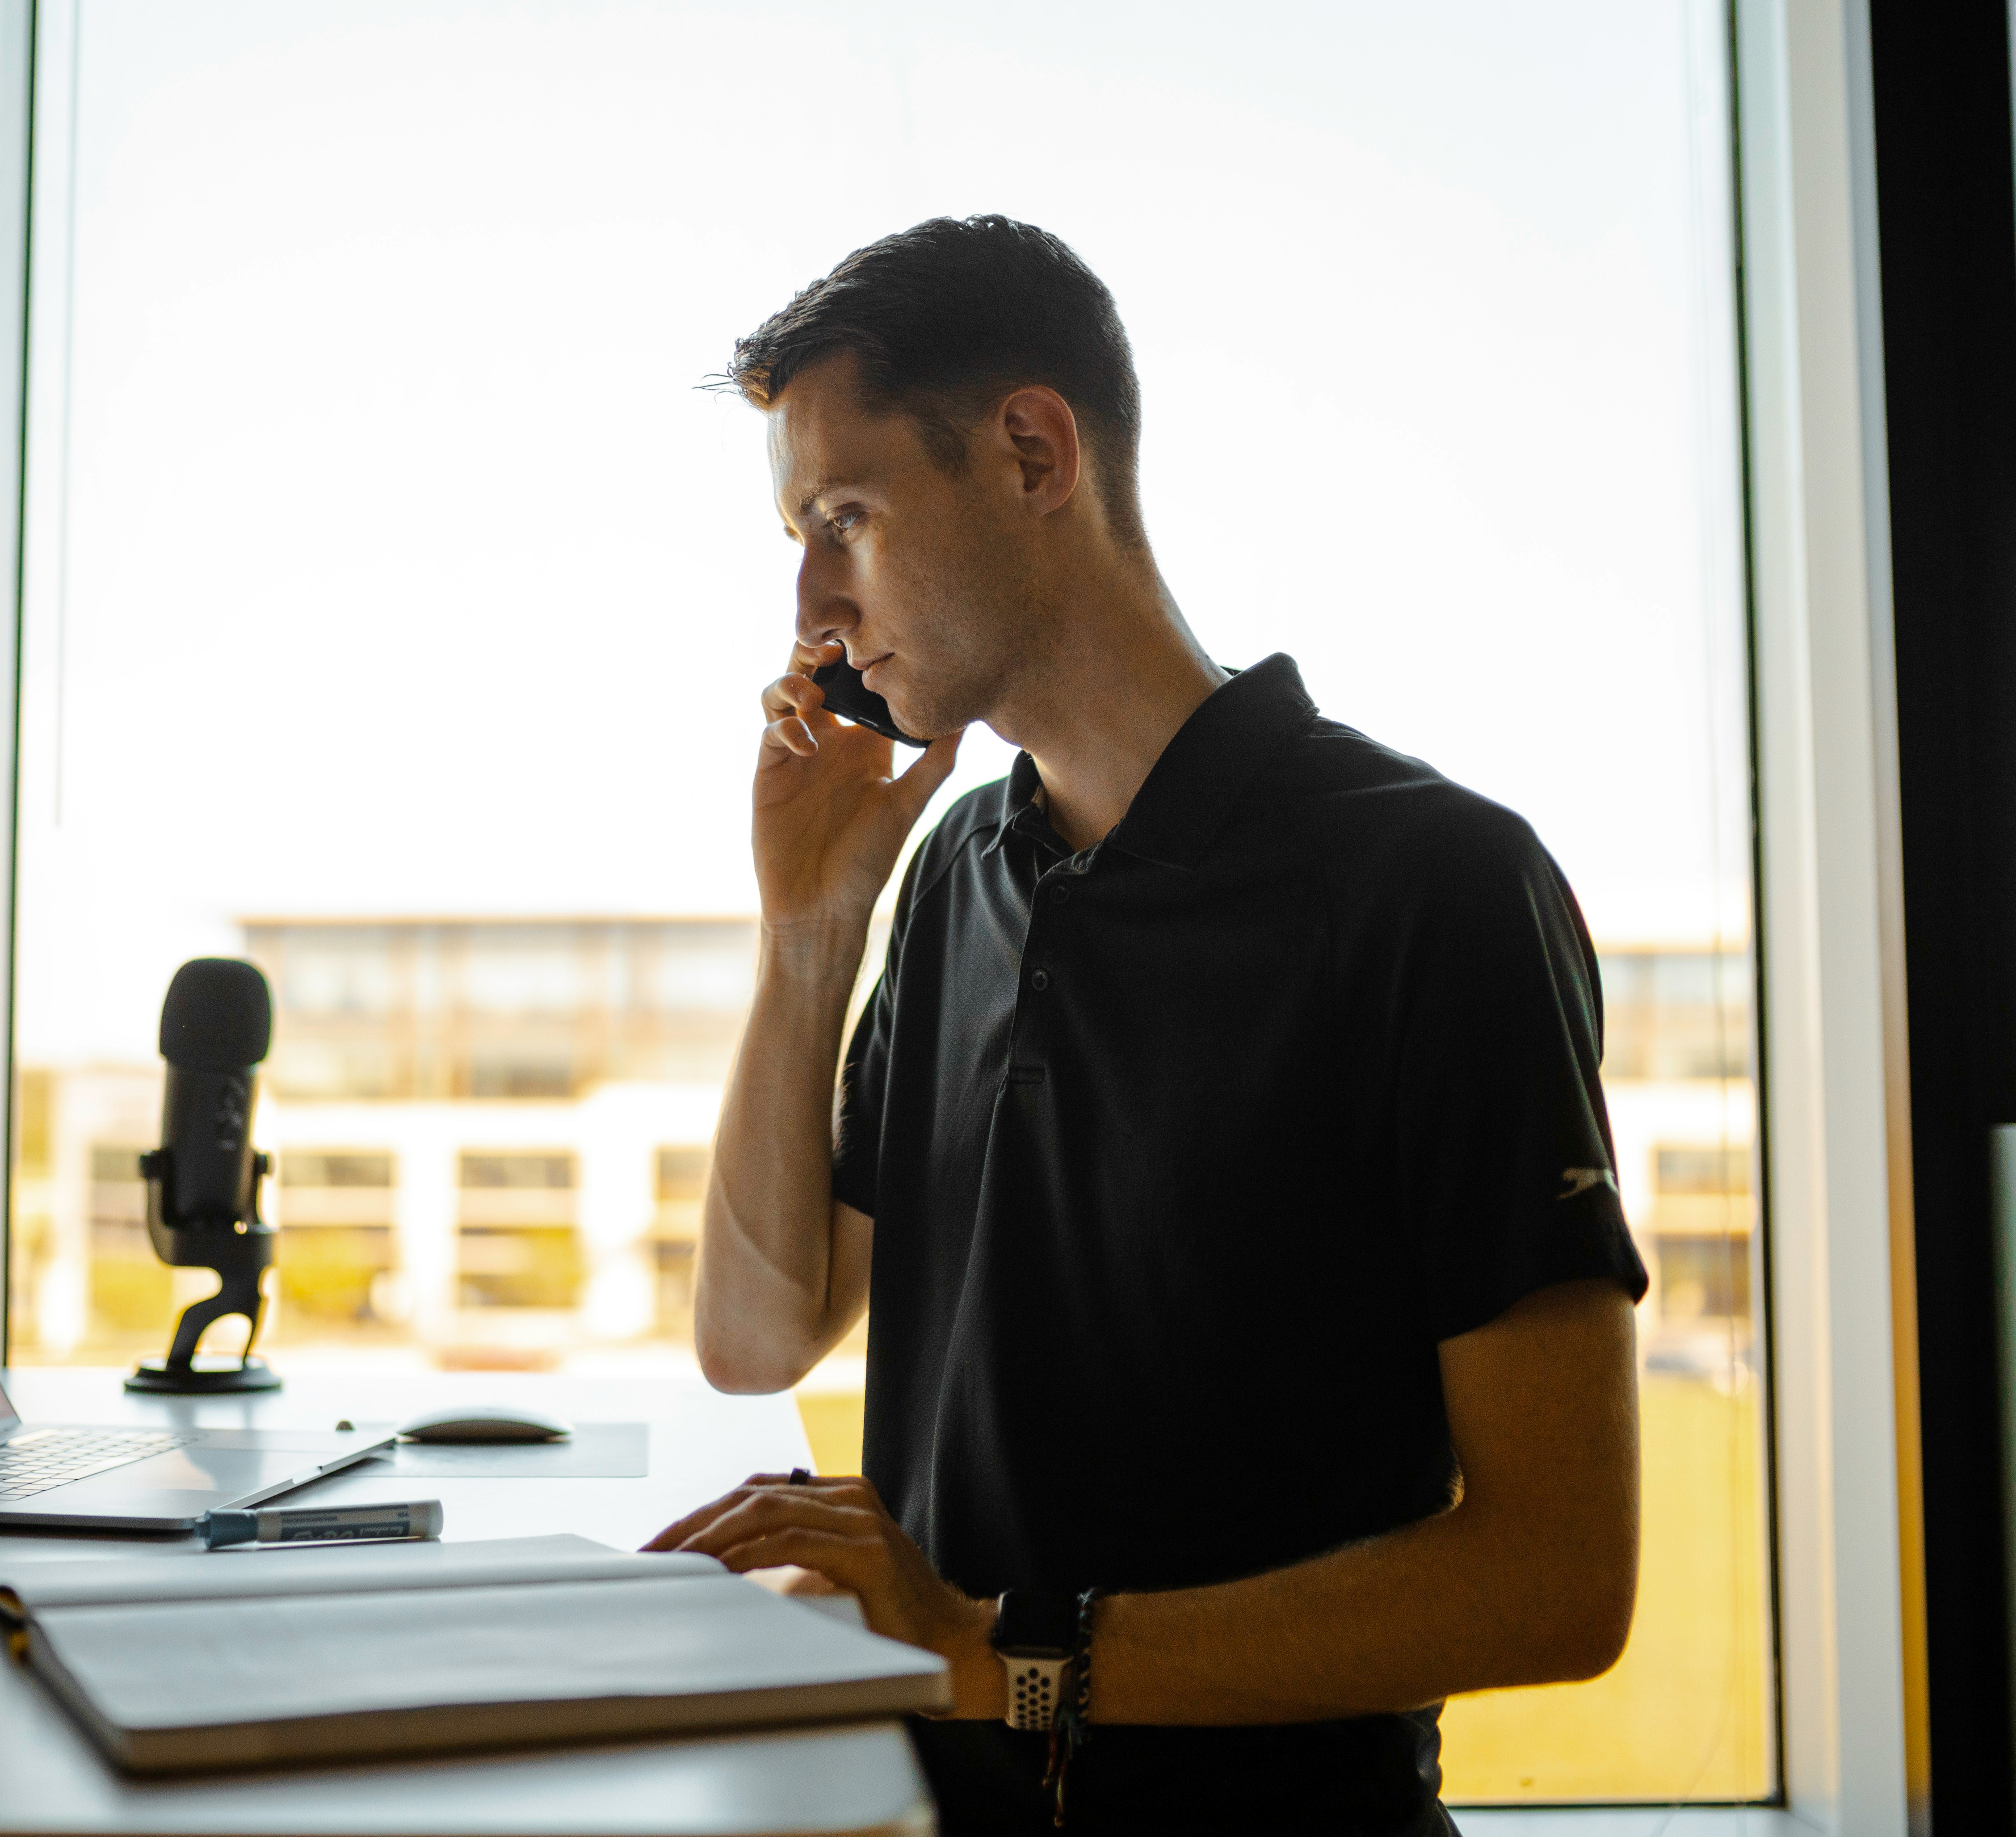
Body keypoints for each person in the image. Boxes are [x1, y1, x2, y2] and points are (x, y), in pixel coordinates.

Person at [643, 216, 1649, 1834]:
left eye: (845, 516)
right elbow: (759, 1337)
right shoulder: (963, 869)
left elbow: (1556, 1579)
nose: (815, 605)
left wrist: (1006, 1654)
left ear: (1035, 452)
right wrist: (810, 929)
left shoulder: (1434, 886)